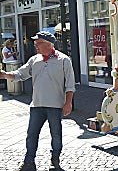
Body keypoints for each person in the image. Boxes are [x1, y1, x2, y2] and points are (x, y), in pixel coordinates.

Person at [0, 31, 75, 171]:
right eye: (35, 43)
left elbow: (70, 85)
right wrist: (5, 75)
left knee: (56, 135)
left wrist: (68, 103)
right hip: (37, 105)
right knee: (31, 135)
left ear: (48, 44)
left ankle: (55, 160)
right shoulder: (34, 59)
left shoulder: (64, 60)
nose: (35, 46)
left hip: (55, 105)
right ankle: (29, 162)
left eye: (38, 43)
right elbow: (19, 74)